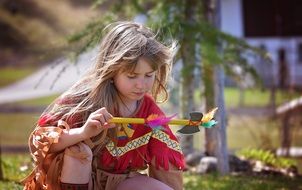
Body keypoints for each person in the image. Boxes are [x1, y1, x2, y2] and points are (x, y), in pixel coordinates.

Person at [22, 21, 184, 190]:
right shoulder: (86, 97)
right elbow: (40, 143)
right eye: (132, 76)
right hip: (76, 178)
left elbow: (166, 161)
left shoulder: (150, 112)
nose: (141, 84)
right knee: (79, 153)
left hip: (119, 181)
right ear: (112, 71)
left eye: (148, 75)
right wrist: (82, 132)